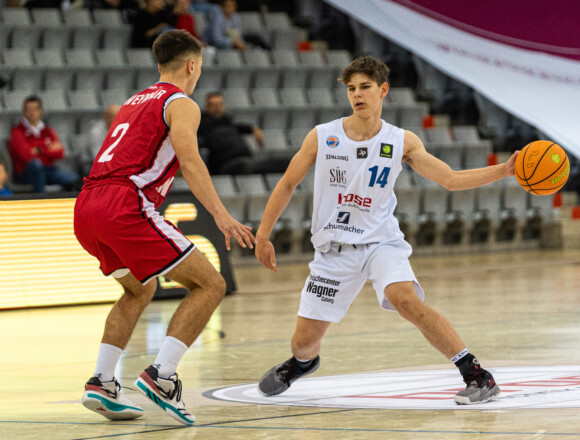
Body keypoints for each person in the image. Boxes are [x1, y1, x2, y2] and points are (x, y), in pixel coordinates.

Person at [255, 56, 519, 405]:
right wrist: (263, 234)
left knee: (405, 299)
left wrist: (503, 170)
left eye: (365, 87)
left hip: (381, 242)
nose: (357, 95)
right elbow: (288, 183)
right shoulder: (322, 136)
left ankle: (476, 375)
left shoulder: (401, 141)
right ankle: (304, 363)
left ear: (383, 90)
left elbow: (450, 180)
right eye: (351, 88)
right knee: (303, 342)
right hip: (334, 250)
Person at [74, 30, 255, 425]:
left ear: (159, 65)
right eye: (200, 67)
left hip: (86, 206)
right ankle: (163, 376)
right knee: (211, 284)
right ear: (192, 65)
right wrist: (223, 216)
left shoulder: (133, 101)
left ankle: (103, 381)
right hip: (125, 204)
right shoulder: (182, 103)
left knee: (140, 289)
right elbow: (190, 162)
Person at [198, 91, 292, 174]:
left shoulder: (227, 122)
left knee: (287, 163)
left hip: (245, 159)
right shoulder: (202, 123)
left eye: (220, 104)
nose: (218, 108)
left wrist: (253, 129)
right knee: (246, 166)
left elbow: (237, 127)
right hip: (225, 163)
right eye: (214, 105)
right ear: (207, 106)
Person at [8, 96, 80, 193]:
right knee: (36, 164)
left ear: (40, 111)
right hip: (27, 173)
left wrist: (39, 149)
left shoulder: (48, 130)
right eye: (28, 109)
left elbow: (60, 153)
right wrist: (48, 149)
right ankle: (39, 200)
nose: (32, 112)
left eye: (35, 109)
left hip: (49, 170)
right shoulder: (17, 132)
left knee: (75, 178)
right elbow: (26, 155)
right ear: (24, 112)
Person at [204, 0, 270, 51]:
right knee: (228, 48)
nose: (231, 8)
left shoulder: (236, 17)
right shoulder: (217, 17)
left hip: (233, 44)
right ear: (222, 7)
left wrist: (240, 44)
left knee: (254, 48)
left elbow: (239, 35)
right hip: (215, 44)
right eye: (228, 6)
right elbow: (216, 39)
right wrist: (232, 42)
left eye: (233, 5)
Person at [81, 104, 121, 177]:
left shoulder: (122, 128)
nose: (118, 119)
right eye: (113, 116)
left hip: (114, 165)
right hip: (92, 166)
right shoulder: (96, 131)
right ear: (105, 117)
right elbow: (98, 158)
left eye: (120, 116)